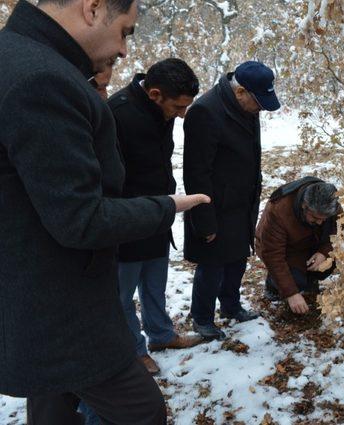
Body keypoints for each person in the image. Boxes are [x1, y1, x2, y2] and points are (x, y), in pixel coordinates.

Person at [0, 0, 209, 423]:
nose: (125, 50)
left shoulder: (18, 55)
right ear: (93, 9)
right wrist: (165, 207)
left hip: (33, 298)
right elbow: (80, 218)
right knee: (142, 411)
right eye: (126, 31)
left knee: (53, 403)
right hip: (59, 304)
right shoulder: (43, 78)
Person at [108, 58, 202, 375]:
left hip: (159, 215)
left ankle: (161, 335)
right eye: (178, 107)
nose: (183, 114)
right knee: (122, 295)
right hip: (127, 220)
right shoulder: (116, 113)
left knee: (154, 285)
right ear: (155, 94)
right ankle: (134, 350)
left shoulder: (164, 110)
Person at [184, 61, 280, 340]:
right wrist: (204, 220)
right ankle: (202, 317)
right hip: (214, 204)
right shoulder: (205, 112)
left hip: (241, 200)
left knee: (237, 258)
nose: (261, 109)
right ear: (240, 92)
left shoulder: (247, 105)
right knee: (212, 264)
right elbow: (196, 172)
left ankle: (230, 305)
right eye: (258, 103)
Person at [255, 178, 340, 314]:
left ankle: (310, 280)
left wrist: (324, 253)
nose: (319, 223)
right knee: (295, 280)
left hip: (312, 243)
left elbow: (339, 230)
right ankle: (273, 285)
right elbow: (272, 254)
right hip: (282, 248)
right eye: (315, 218)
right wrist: (291, 293)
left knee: (332, 260)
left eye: (323, 219)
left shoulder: (331, 202)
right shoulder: (279, 210)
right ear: (303, 206)